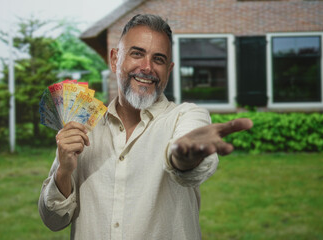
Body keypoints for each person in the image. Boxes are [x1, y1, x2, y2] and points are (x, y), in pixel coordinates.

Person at [38, 14, 253, 240]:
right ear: (114, 59)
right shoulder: (81, 126)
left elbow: (191, 168)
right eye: (137, 53)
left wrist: (183, 157)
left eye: (158, 59)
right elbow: (53, 220)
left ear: (168, 71)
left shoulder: (187, 116)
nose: (147, 67)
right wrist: (64, 170)